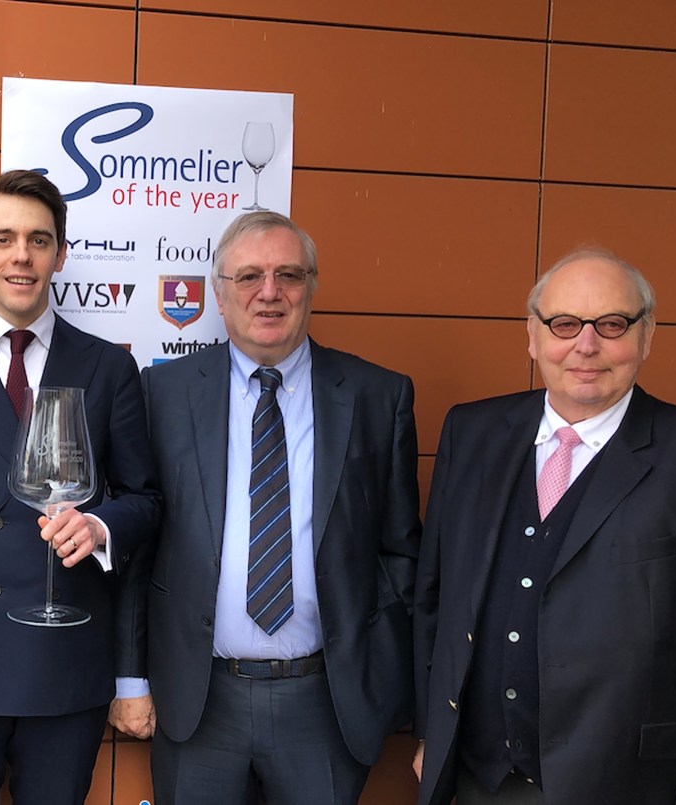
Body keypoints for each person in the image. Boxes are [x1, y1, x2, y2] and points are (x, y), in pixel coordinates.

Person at [119, 210, 420, 803]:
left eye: (289, 274)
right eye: (249, 276)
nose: (270, 291)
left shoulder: (378, 396)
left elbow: (401, 549)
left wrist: (384, 677)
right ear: (219, 293)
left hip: (324, 703)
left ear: (311, 287)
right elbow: (140, 542)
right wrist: (130, 677)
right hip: (199, 699)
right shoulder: (163, 393)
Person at [0, 170, 160, 804]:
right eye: (3, 239)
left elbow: (146, 500)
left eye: (39, 240)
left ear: (60, 254)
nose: (21, 255)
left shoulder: (109, 367)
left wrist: (99, 526)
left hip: (66, 659)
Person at [413, 249, 676, 804]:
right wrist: (430, 731)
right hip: (479, 777)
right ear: (533, 336)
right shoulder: (471, 432)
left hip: (623, 783)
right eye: (564, 324)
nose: (586, 344)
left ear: (647, 336)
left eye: (612, 324)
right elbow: (434, 597)